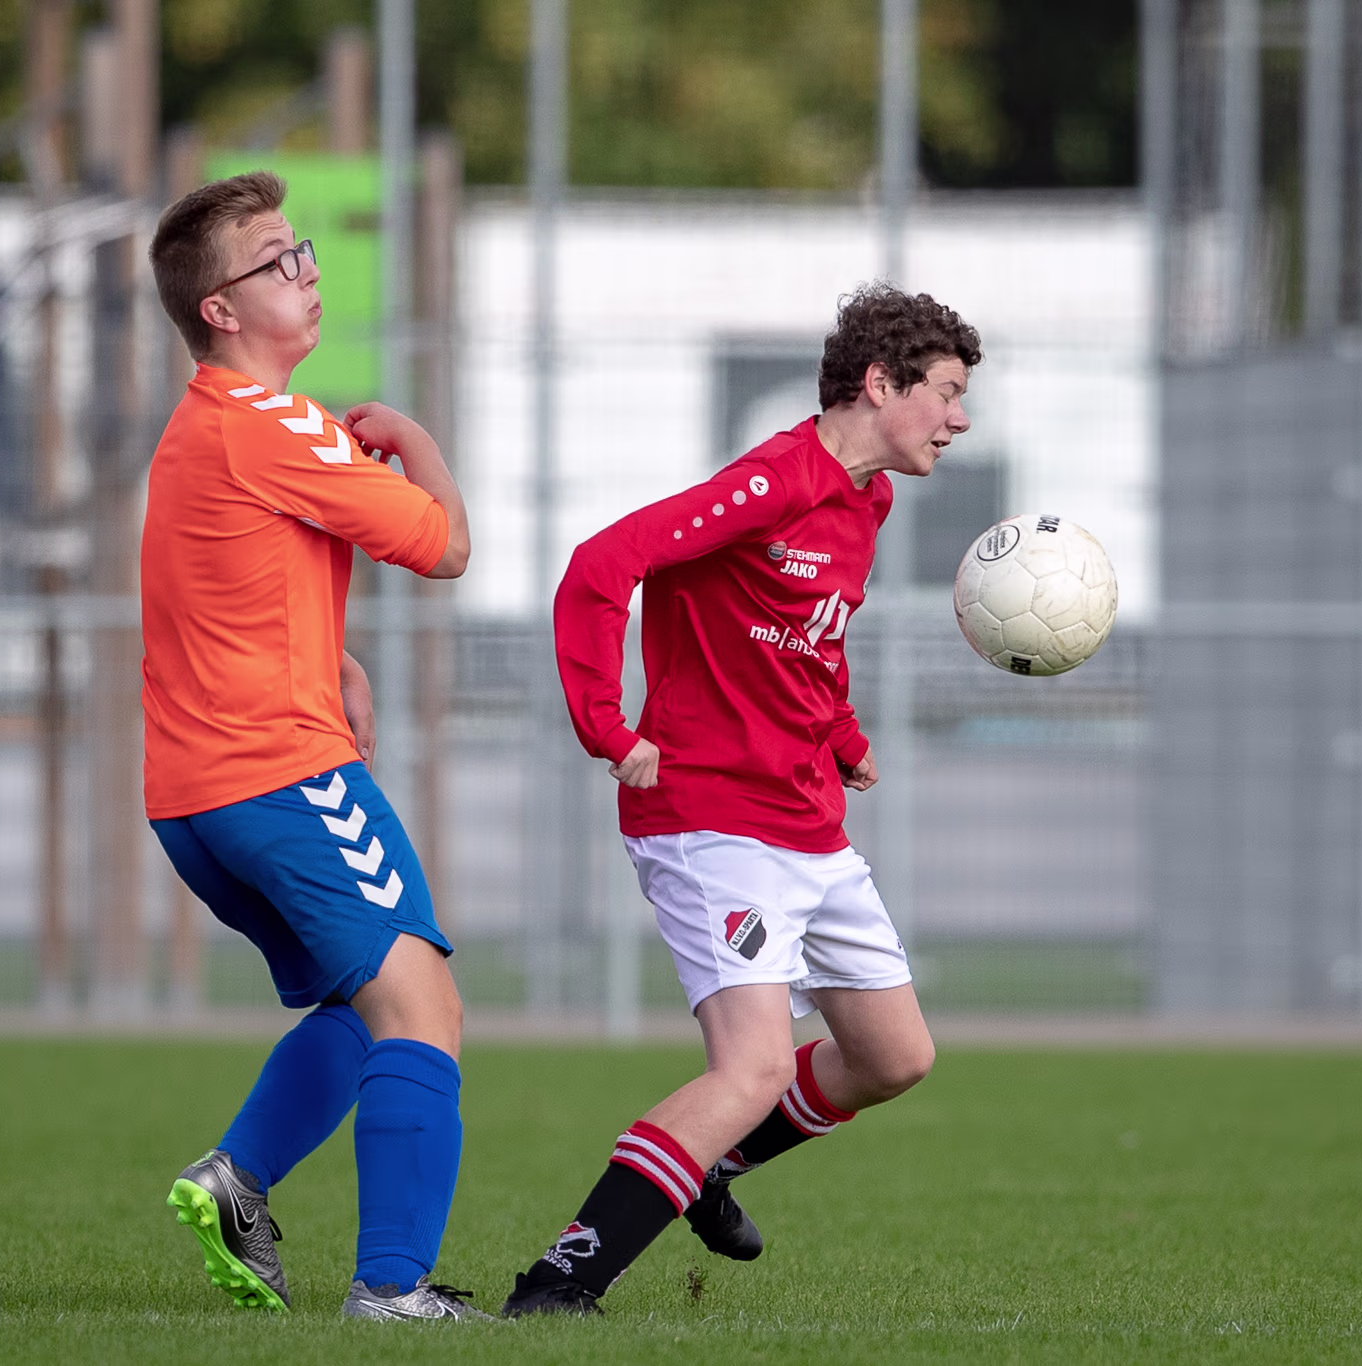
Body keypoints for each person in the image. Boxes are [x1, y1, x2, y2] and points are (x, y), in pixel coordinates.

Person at [500, 284, 980, 1317]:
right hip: (710, 819)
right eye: (945, 392)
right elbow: (601, 566)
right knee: (752, 1067)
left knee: (894, 1055)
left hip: (806, 822)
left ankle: (705, 1161)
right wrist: (606, 725)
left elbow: (806, 635)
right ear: (878, 383)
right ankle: (560, 1282)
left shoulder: (867, 500)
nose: (960, 419)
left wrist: (841, 735)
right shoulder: (772, 481)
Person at [142, 170, 485, 1322]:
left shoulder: (199, 429)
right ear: (220, 310)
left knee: (357, 1004)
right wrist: (414, 437)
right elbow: (444, 548)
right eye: (277, 259)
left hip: (192, 798)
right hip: (284, 779)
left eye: (304, 251)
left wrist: (331, 658)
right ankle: (391, 1289)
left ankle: (235, 1180)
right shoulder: (272, 422)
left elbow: (218, 585)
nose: (307, 271)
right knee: (424, 1008)